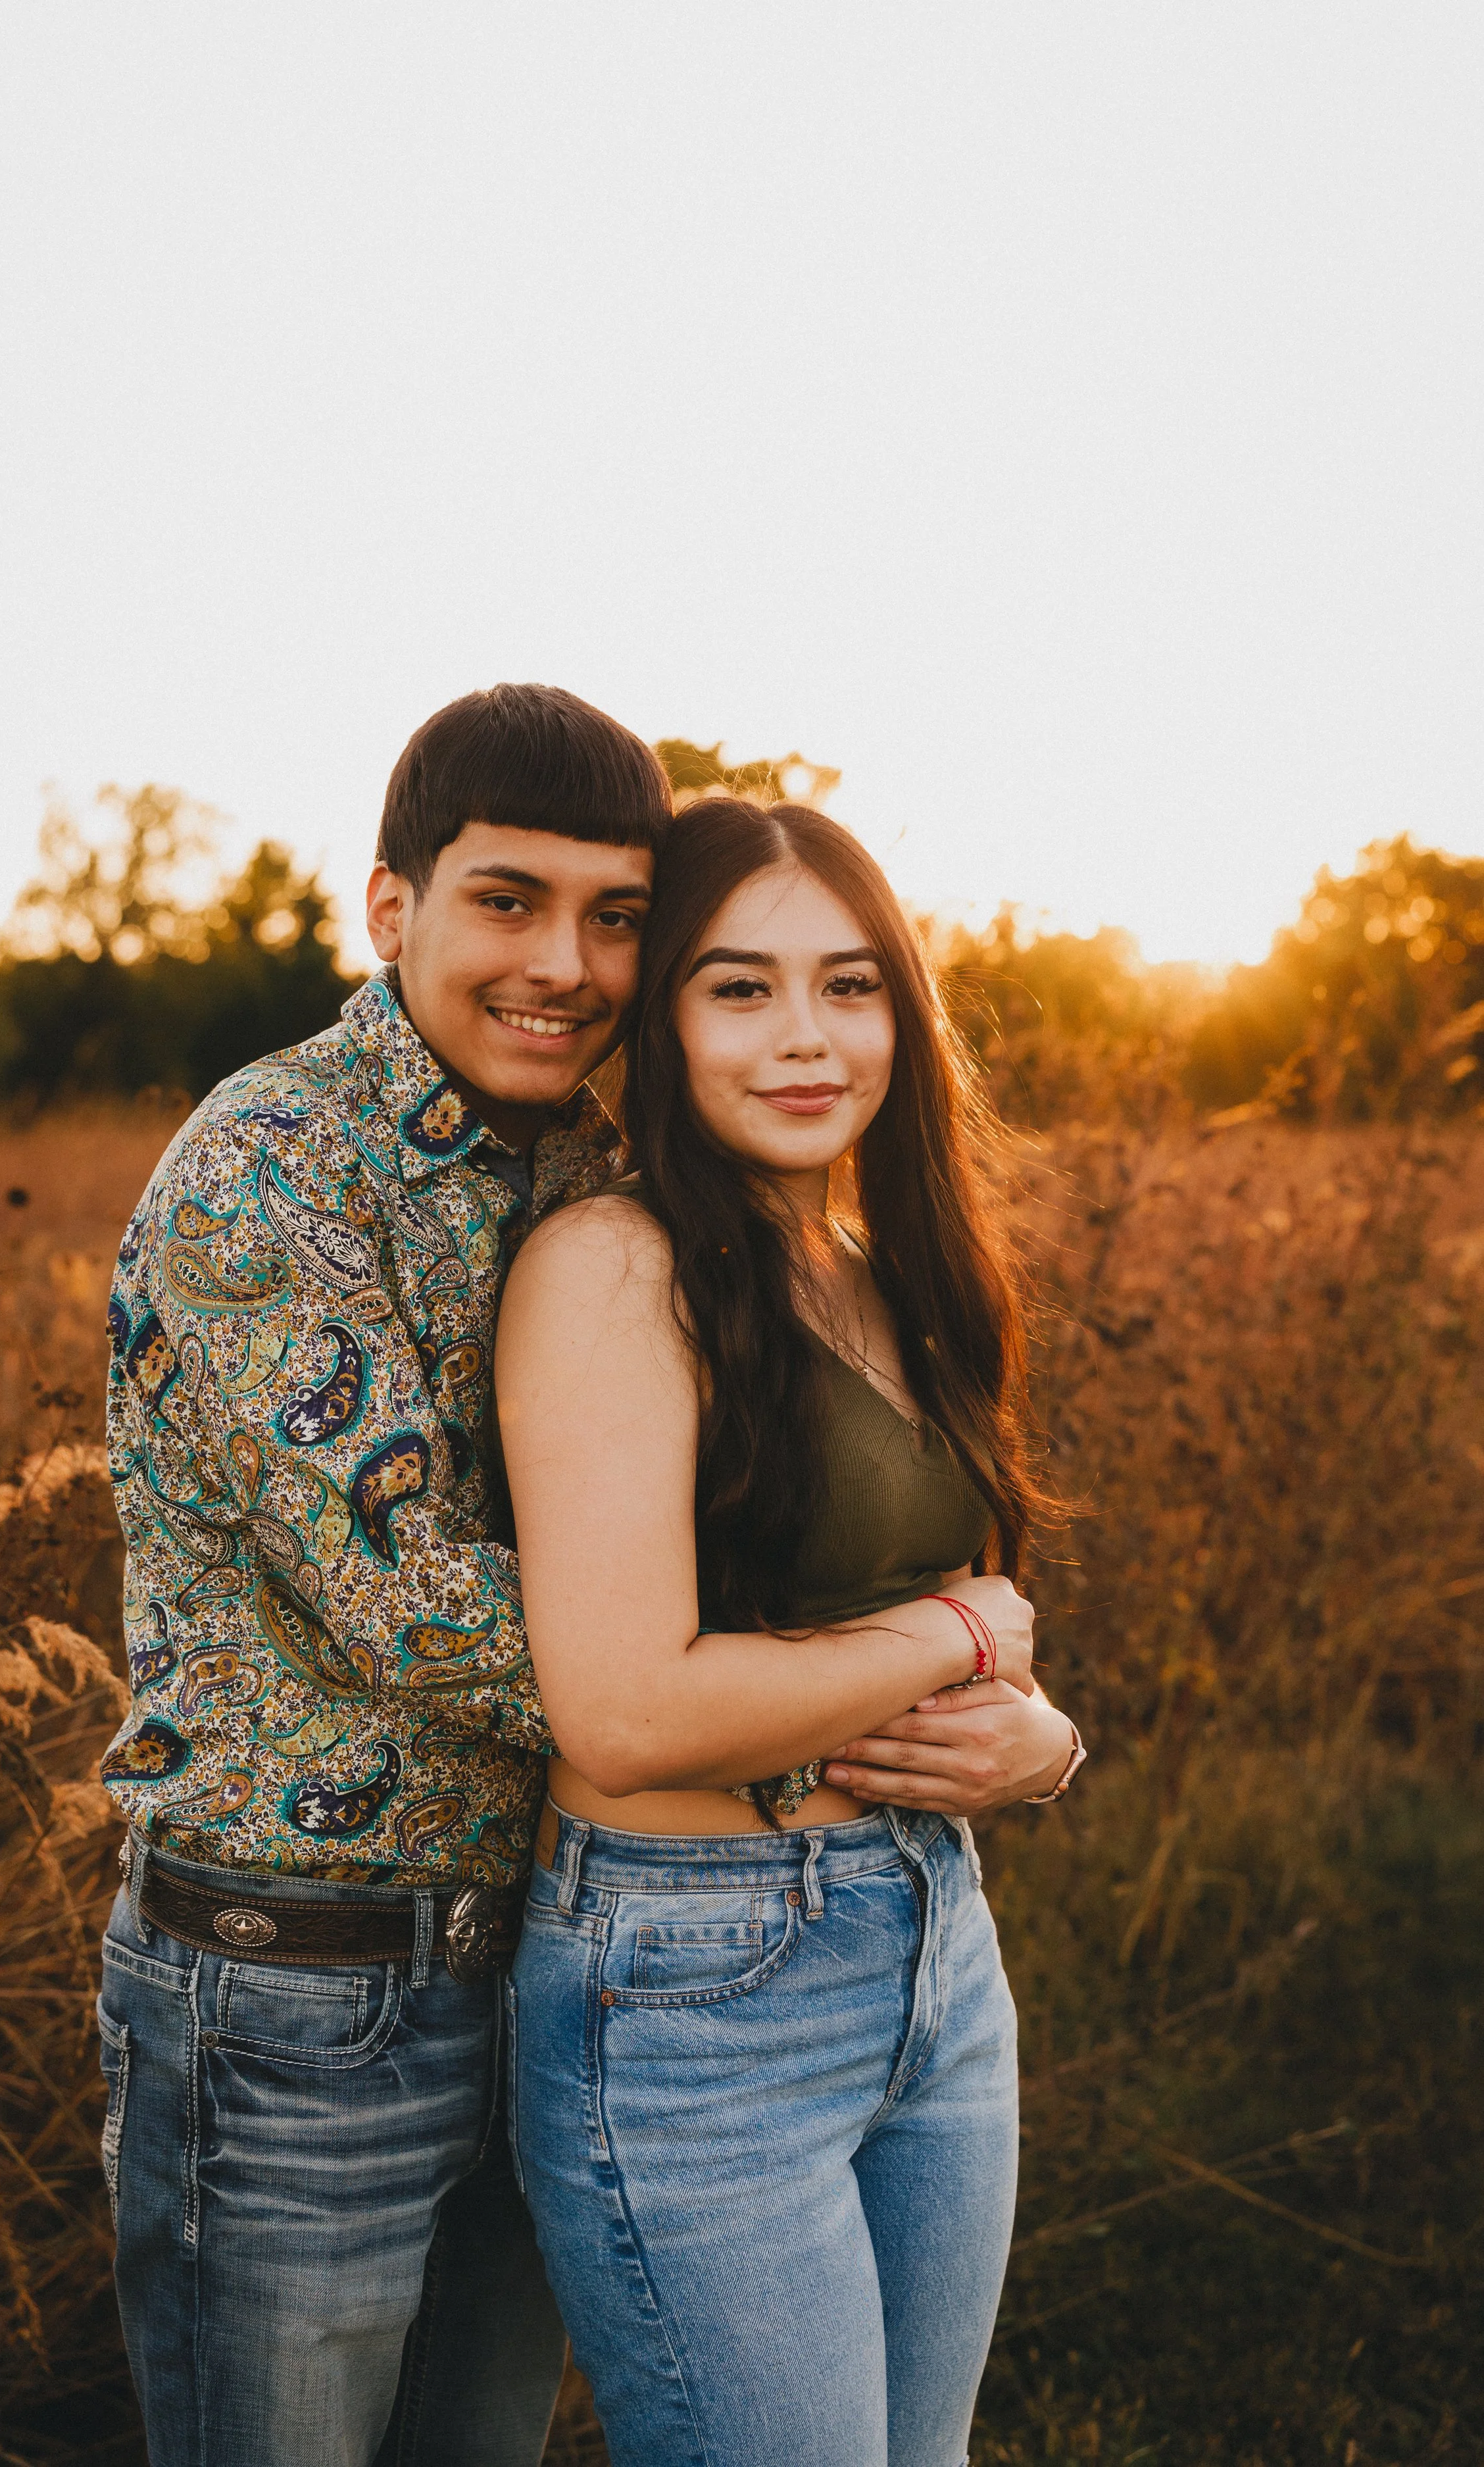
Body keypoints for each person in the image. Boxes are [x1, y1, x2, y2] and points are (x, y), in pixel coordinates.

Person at [95, 684, 674, 2467]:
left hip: (542, 1965)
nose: (563, 961)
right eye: (509, 898)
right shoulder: (261, 1174)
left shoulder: (591, 1164)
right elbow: (413, 1599)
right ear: (392, 907)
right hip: (295, 2005)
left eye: (616, 916)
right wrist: (798, 1720)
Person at [497, 796, 1084, 2467]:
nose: (807, 1039)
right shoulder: (614, 1272)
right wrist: (961, 1639)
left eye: (849, 985)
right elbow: (619, 1712)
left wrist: (1038, 1744)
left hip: (927, 1947)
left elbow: (943, 1619)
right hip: (693, 1998)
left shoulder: (885, 1267)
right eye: (738, 990)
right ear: (661, 1017)